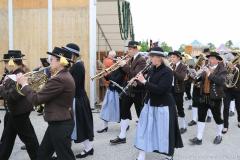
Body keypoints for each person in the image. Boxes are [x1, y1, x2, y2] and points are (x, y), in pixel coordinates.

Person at [17, 47, 76, 160]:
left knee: (65, 156)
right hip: (58, 122)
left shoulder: (59, 79)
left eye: (52, 59)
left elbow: (36, 99)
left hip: (60, 124)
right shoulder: (62, 76)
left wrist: (24, 84)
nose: (50, 61)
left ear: (61, 61)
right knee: (42, 156)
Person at [134, 47, 183, 160]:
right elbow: (148, 86)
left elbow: (160, 90)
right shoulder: (152, 69)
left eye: (152, 57)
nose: (150, 59)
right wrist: (138, 83)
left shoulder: (167, 72)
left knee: (164, 132)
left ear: (159, 58)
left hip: (163, 106)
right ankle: (141, 154)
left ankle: (168, 154)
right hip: (150, 104)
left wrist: (144, 81)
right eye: (150, 56)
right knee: (144, 129)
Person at [0, 50, 39, 160]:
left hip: (19, 113)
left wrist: (2, 87)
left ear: (11, 62)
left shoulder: (19, 75)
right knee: (7, 139)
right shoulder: (11, 74)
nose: (5, 65)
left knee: (29, 139)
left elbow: (13, 96)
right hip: (13, 112)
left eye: (5, 62)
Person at [110, 41, 146, 145]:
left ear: (136, 49)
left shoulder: (142, 60)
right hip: (129, 89)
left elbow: (136, 74)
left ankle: (144, 137)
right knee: (124, 111)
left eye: (130, 49)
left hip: (138, 91)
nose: (128, 51)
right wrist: (121, 64)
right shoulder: (131, 59)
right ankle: (122, 136)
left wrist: (124, 65)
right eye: (128, 49)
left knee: (141, 114)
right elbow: (128, 73)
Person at [63, 43, 94, 158]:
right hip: (79, 98)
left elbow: (72, 86)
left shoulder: (77, 66)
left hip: (78, 99)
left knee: (81, 124)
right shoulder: (77, 64)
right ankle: (65, 148)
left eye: (67, 53)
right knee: (77, 124)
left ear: (72, 54)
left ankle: (88, 148)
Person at [190, 52, 227, 145]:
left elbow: (221, 81)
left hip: (215, 98)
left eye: (212, 58)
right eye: (209, 58)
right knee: (201, 116)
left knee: (217, 117)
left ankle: (219, 135)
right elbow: (198, 79)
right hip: (203, 96)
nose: (210, 60)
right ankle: (199, 138)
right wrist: (194, 75)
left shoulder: (222, 69)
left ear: (217, 60)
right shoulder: (206, 68)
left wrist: (209, 73)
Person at [97, 61, 126, 133]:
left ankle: (125, 125)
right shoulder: (116, 69)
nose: (116, 63)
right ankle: (105, 126)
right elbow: (109, 79)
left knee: (119, 110)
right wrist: (105, 75)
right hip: (110, 90)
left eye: (118, 62)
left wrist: (108, 75)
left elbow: (115, 80)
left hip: (116, 92)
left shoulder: (123, 71)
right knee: (105, 108)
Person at [169, 51, 188, 134]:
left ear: (178, 58)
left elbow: (181, 77)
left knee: (180, 108)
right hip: (170, 89)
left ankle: (183, 126)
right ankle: (173, 125)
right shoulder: (171, 65)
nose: (171, 58)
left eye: (173, 57)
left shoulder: (183, 66)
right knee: (171, 107)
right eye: (171, 57)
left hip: (178, 90)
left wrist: (172, 71)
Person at [222, 56, 240, 134]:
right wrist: (228, 70)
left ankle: (239, 120)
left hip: (238, 90)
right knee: (226, 107)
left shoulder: (238, 68)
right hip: (227, 90)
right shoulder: (228, 66)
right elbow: (224, 77)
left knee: (238, 107)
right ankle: (225, 126)